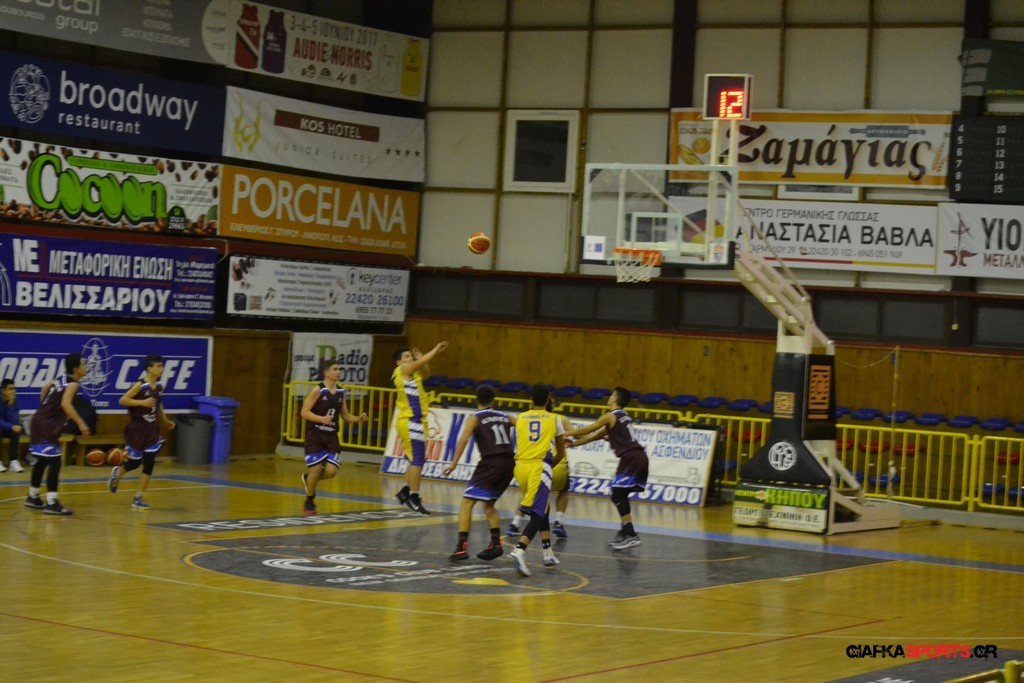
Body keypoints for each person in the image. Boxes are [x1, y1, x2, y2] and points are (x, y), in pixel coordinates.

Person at [566, 386, 649, 550]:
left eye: (611, 395)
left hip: (631, 457)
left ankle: (631, 535)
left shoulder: (610, 416)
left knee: (617, 494)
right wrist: (573, 444)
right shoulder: (623, 416)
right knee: (620, 494)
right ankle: (625, 532)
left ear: (615, 399)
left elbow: (589, 429)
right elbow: (595, 436)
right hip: (638, 456)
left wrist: (566, 434)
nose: (609, 397)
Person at [443, 385, 516, 562]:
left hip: (491, 463)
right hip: (509, 464)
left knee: (466, 503)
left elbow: (463, 439)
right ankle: (495, 544)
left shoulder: (474, 417)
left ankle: (461, 548)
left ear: (476, 400)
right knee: (489, 504)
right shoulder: (507, 416)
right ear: (494, 401)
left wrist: (453, 463)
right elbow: (526, 428)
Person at [507, 383, 565, 577]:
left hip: (520, 467)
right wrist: (549, 466)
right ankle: (519, 550)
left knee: (543, 507)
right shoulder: (554, 419)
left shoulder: (521, 418)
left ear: (530, 399)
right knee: (538, 513)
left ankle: (548, 552)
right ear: (548, 400)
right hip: (539, 467)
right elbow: (561, 451)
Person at [299, 358, 367, 515]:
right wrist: (320, 419)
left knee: (331, 472)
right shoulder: (318, 390)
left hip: (331, 437)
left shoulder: (341, 392)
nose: (338, 372)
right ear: (326, 373)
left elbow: (346, 416)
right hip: (315, 436)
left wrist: (359, 418)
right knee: (316, 469)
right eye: (335, 369)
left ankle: (309, 479)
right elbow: (304, 412)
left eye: (339, 369)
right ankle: (309, 500)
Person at [108, 355, 177, 509]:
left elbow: (158, 405)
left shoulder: (159, 386)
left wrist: (165, 420)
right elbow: (122, 400)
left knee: (149, 461)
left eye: (162, 365)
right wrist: (142, 402)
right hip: (137, 429)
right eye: (158, 366)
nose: (161, 368)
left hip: (151, 429)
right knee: (134, 463)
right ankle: (118, 473)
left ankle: (138, 497)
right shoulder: (140, 385)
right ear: (149, 369)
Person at [25, 352, 90, 515]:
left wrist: (45, 408)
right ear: (75, 369)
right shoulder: (73, 384)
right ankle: (52, 502)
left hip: (38, 421)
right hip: (46, 425)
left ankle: (33, 496)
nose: (86, 367)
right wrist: (80, 422)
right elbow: (66, 404)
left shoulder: (61, 378)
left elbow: (44, 388)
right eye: (83, 364)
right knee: (55, 462)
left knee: (42, 461)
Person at [392, 341, 449, 515]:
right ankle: (414, 497)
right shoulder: (402, 370)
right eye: (406, 357)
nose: (410, 359)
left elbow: (426, 374)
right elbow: (420, 364)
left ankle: (404, 491)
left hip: (416, 421)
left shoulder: (413, 373)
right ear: (398, 362)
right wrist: (434, 350)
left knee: (416, 460)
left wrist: (421, 358)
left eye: (411, 356)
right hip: (410, 421)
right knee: (417, 460)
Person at [1, 379, 25, 473]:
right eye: (10, 389)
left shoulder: (14, 401)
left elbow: (14, 421)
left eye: (14, 389)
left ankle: (13, 461)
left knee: (16, 428)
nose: (13, 391)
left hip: (6, 428)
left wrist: (10, 405)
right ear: (3, 390)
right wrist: (11, 426)